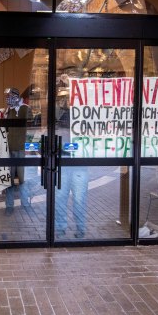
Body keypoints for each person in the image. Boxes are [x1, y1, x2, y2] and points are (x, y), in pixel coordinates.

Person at [54, 95, 89, 238]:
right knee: (65, 198)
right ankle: (67, 228)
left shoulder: (83, 118)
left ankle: (76, 228)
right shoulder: (60, 117)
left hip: (77, 165)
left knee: (76, 199)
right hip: (67, 164)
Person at [3, 87, 32, 216]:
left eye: (9, 96)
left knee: (22, 178)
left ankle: (25, 203)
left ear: (15, 96)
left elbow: (32, 128)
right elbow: (6, 129)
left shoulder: (25, 109)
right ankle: (9, 205)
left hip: (21, 149)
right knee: (9, 178)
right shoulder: (8, 110)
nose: (7, 99)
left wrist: (30, 149)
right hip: (10, 149)